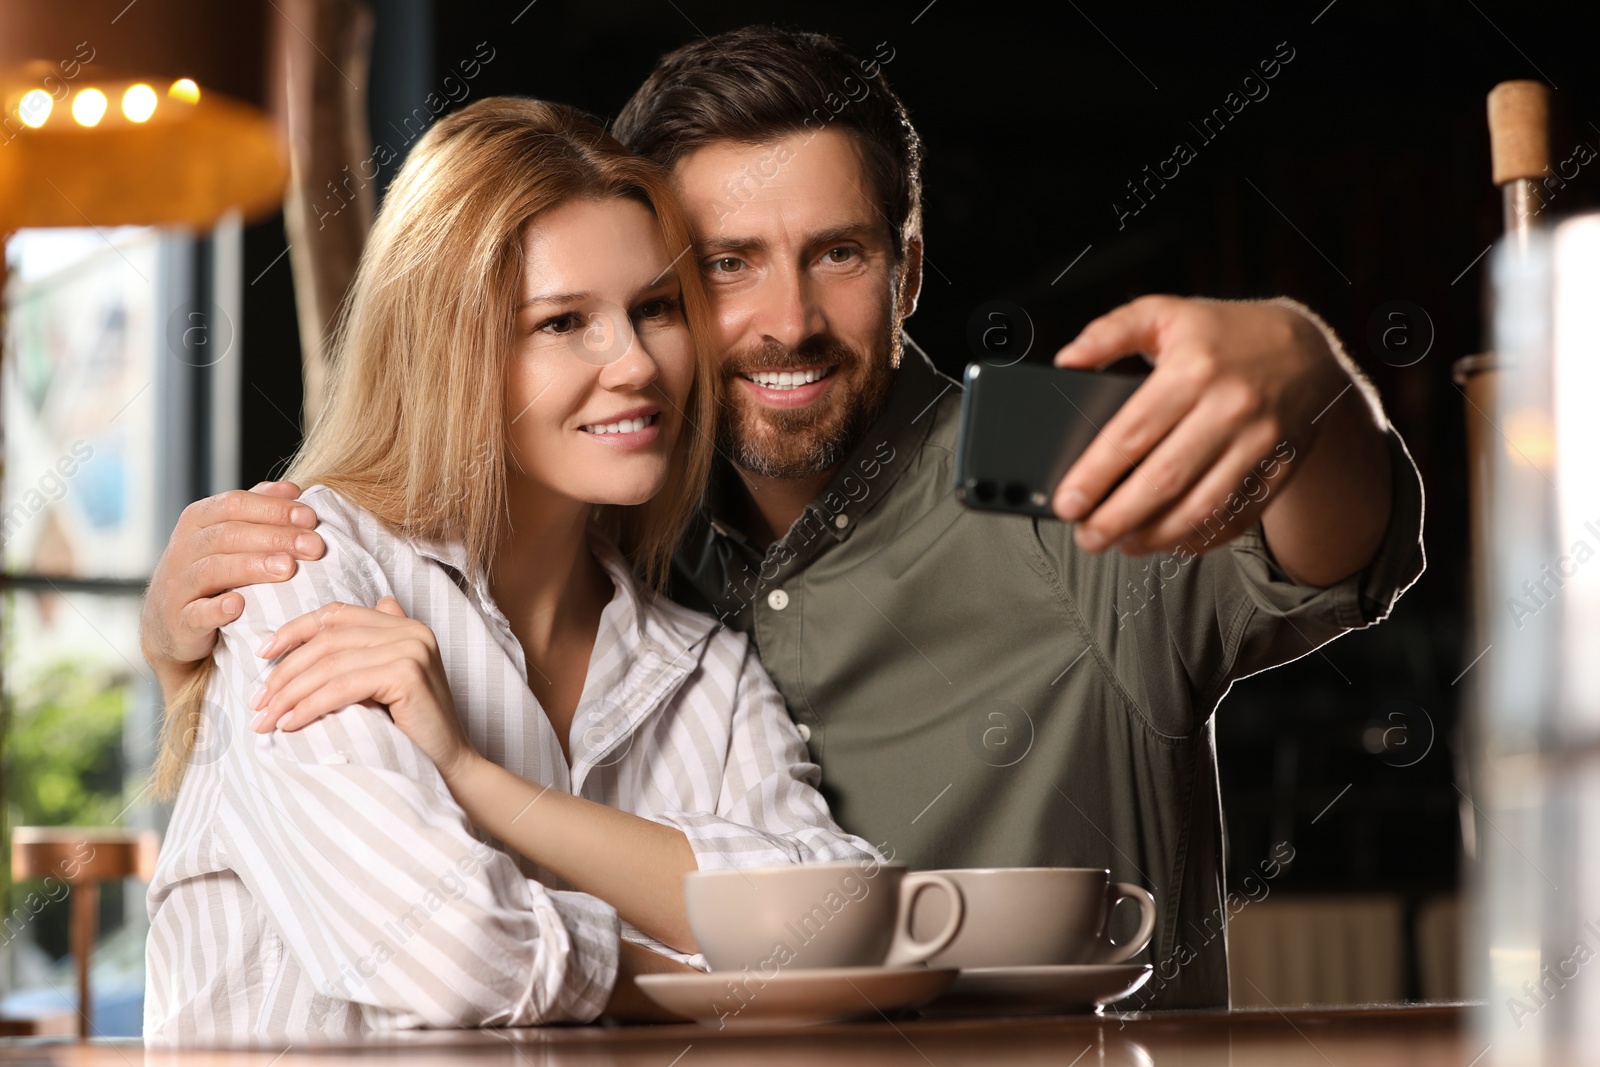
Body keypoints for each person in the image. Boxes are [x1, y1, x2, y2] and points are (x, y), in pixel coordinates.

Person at [139, 28, 1425, 1010]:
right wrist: (189, 646)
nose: (788, 320)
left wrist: (1307, 385)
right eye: (723, 265)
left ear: (908, 268)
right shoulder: (639, 507)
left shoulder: (1029, 440)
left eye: (841, 252)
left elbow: (1329, 547)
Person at [142, 97, 878, 1045]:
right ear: (449, 349)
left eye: (655, 309)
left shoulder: (709, 673)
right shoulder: (298, 562)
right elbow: (448, 954)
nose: (636, 365)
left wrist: (481, 781)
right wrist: (715, 970)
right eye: (564, 321)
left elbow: (851, 919)